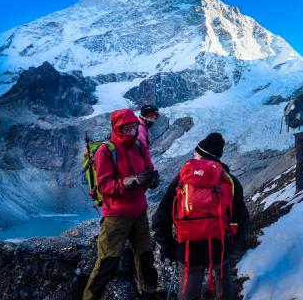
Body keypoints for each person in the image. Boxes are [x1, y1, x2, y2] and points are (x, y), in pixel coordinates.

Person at [152, 133, 250, 300]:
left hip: (189, 248)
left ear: (200, 153)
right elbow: (242, 219)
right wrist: (232, 246)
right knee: (223, 282)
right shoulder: (229, 180)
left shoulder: (183, 179)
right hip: (219, 247)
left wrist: (169, 247)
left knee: (188, 293)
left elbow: (162, 215)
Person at [83, 108, 160, 300]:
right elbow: (105, 186)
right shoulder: (105, 151)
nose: (133, 132)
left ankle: (149, 296)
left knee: (146, 259)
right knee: (108, 263)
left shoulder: (140, 147)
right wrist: (132, 181)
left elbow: (149, 169)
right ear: (118, 129)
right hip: (116, 216)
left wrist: (151, 179)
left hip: (139, 212)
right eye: (128, 129)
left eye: (134, 127)